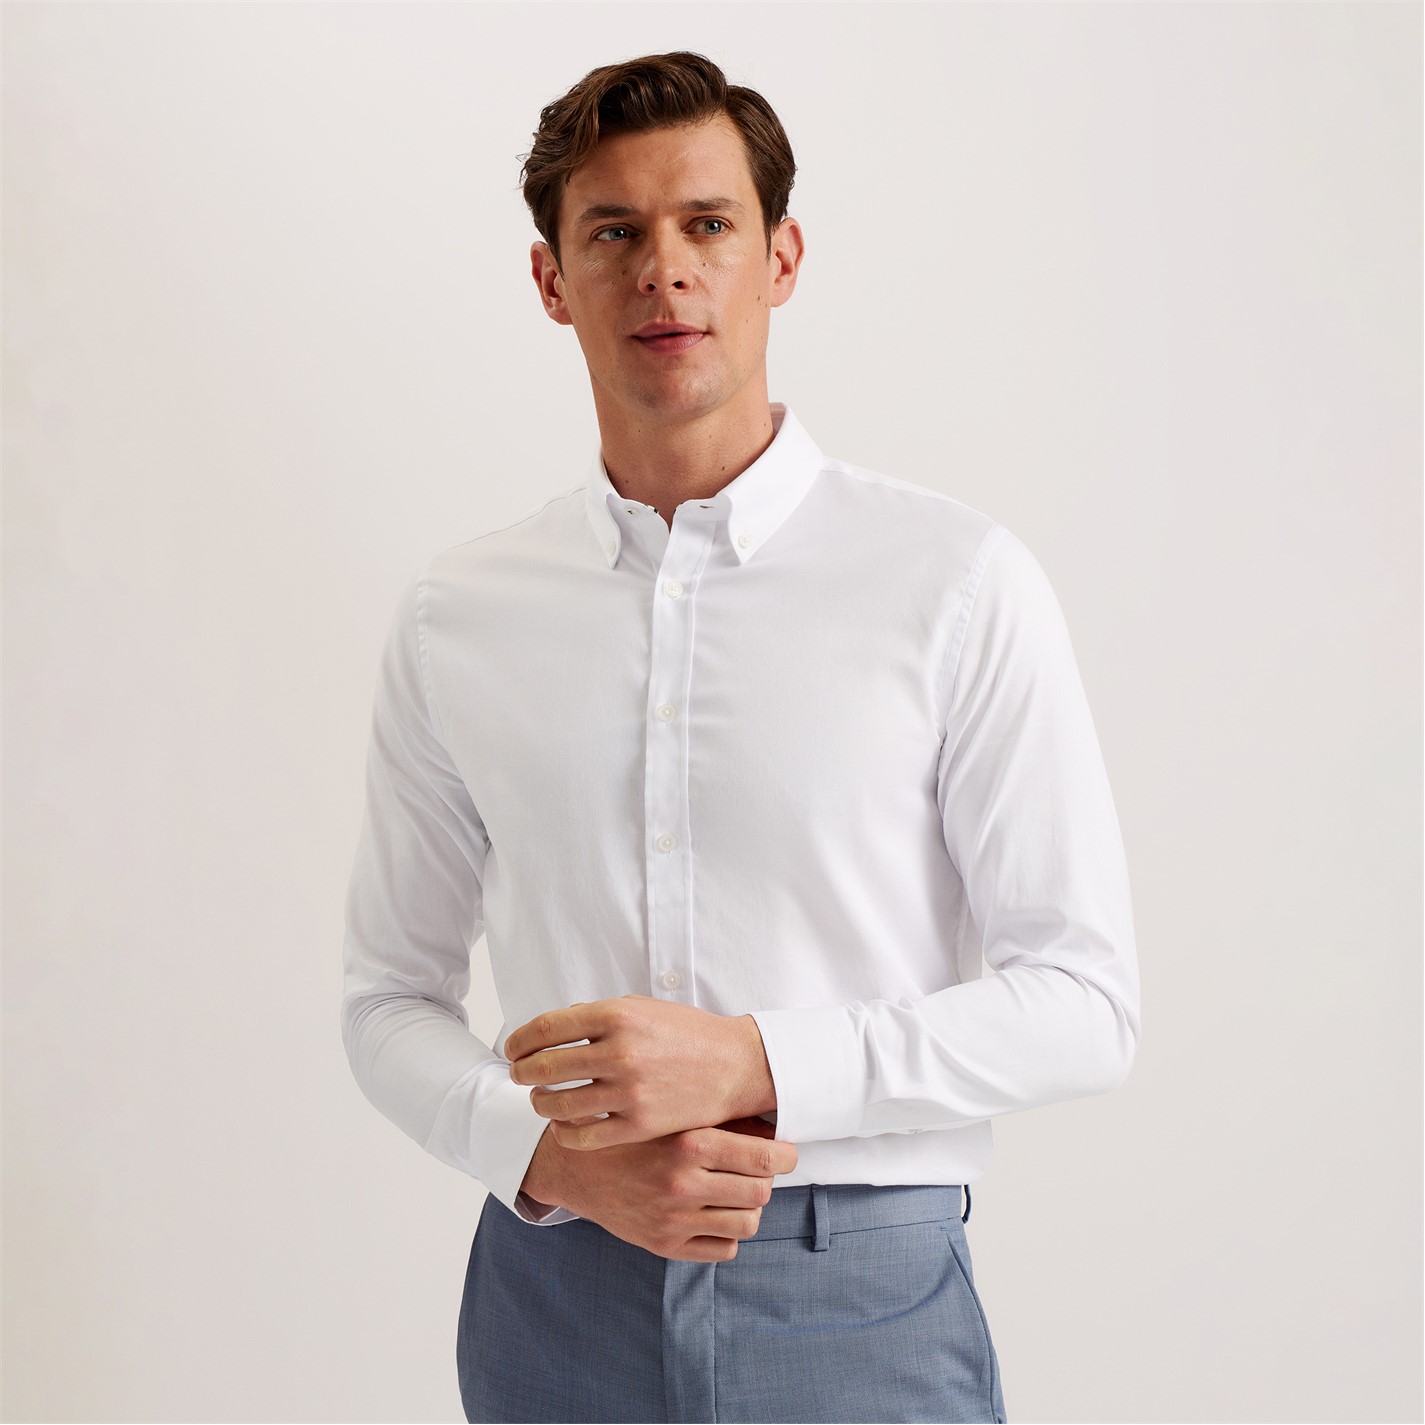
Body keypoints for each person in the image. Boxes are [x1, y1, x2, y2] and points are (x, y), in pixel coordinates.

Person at [340, 49, 1140, 1425]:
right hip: (554, 1291)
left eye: (706, 224)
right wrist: (541, 1155)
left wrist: (758, 1061)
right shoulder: (456, 615)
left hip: (858, 1291)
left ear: (779, 259)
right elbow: (384, 1000)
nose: (664, 271)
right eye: (613, 233)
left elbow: (1084, 1002)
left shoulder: (953, 582)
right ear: (552, 280)